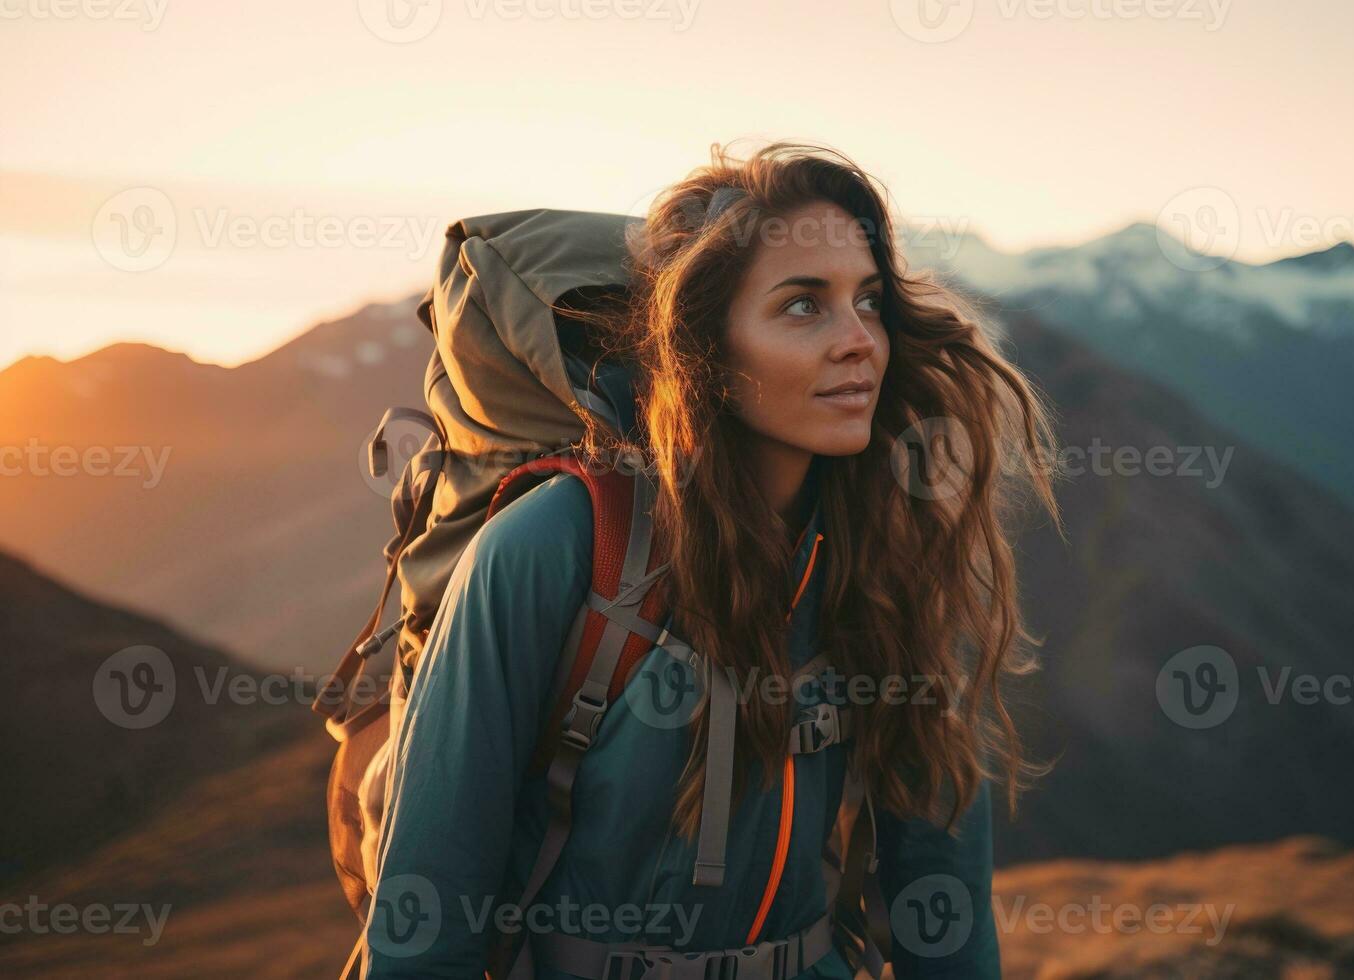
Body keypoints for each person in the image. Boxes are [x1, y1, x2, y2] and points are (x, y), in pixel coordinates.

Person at [362, 141, 1062, 979]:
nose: (860, 342)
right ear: (706, 354)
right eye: (803, 307)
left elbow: (945, 913)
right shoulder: (556, 548)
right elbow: (424, 929)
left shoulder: (889, 560)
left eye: (869, 301)